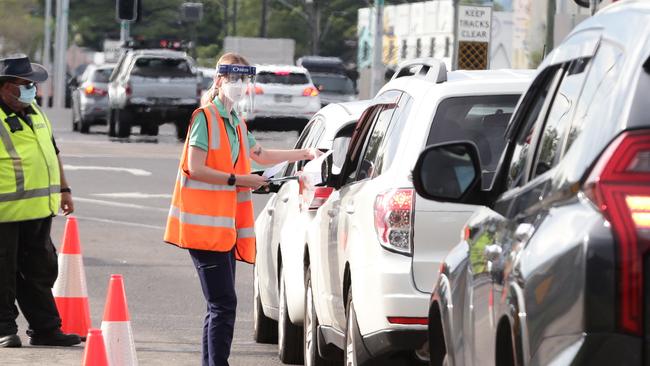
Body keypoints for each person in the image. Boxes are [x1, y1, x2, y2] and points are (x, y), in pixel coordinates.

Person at [164, 52, 321, 366]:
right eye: (233, 79)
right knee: (223, 304)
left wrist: (304, 152)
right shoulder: (205, 118)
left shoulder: (234, 121)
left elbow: (260, 154)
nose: (239, 85)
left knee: (218, 305)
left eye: (244, 80)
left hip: (223, 230)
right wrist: (240, 179)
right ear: (220, 80)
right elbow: (194, 168)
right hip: (202, 230)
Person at [0, 54, 80, 348]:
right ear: (6, 87)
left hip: (38, 210)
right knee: (3, 274)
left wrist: (64, 188)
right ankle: (4, 329)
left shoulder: (35, 112)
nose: (32, 89)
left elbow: (52, 152)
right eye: (25, 84)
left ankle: (46, 329)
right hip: (4, 213)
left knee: (40, 271)